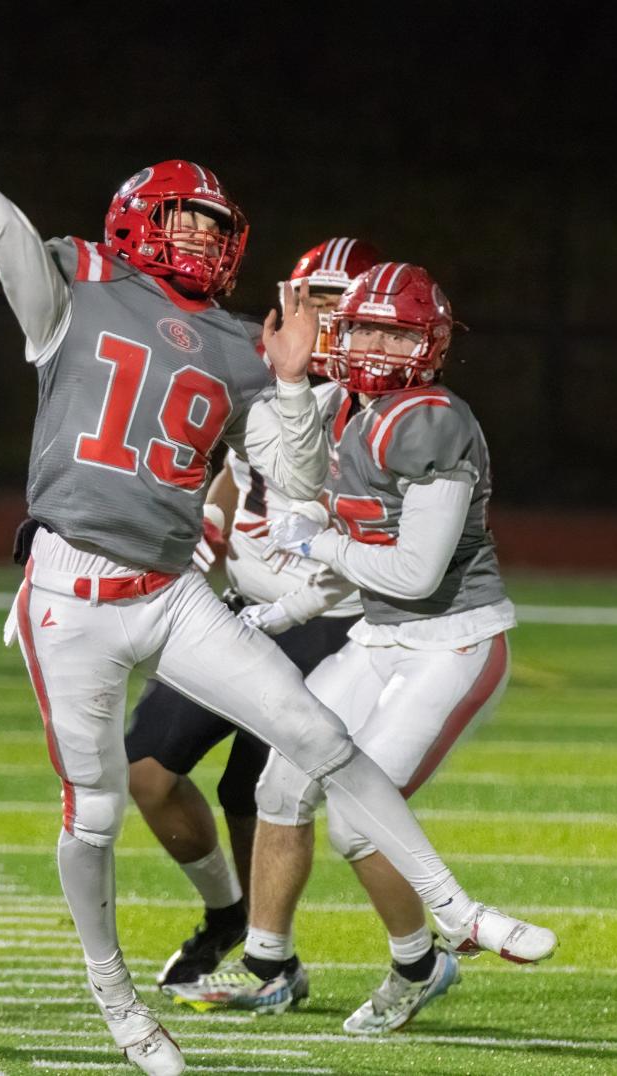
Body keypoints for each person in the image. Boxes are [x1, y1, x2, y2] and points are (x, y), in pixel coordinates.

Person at [0, 102, 554, 1076]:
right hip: (68, 588)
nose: (199, 234)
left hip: (167, 586)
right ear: (132, 222)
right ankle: (116, 997)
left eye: (214, 223)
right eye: (181, 217)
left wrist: (285, 384)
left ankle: (455, 911)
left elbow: (291, 474)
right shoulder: (75, 286)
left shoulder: (244, 341)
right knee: (98, 811)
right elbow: (2, 233)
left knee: (315, 736)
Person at [169, 263, 545, 1033]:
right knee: (280, 786)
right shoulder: (353, 409)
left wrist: (325, 545)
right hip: (379, 636)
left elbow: (411, 571)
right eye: (365, 326)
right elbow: (318, 512)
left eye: (394, 331)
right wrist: (276, 615)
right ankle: (280, 965)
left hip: (452, 642)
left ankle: (420, 956)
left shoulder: (429, 419)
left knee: (355, 821)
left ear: (429, 344)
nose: (374, 343)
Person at [124, 238, 381, 990]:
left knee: (260, 788)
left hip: (326, 611)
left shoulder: (376, 403)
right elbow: (239, 473)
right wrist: (211, 516)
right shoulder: (257, 373)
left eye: (338, 303)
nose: (321, 318)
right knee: (147, 774)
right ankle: (226, 912)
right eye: (312, 300)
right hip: (236, 604)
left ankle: (276, 958)